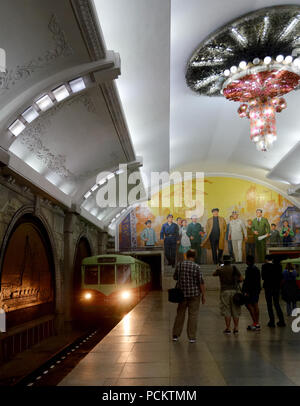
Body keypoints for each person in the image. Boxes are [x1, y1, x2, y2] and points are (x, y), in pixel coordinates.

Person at [172, 249, 206, 343]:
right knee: (193, 315)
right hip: (194, 294)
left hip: (181, 294)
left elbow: (175, 277)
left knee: (180, 314)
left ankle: (175, 335)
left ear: (186, 256)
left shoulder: (180, 265)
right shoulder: (196, 267)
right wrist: (203, 295)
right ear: (194, 256)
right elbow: (201, 282)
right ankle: (192, 337)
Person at [213, 255, 243, 335]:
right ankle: (236, 328)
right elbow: (241, 279)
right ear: (230, 261)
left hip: (224, 291)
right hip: (234, 291)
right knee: (235, 309)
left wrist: (219, 267)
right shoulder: (234, 268)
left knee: (227, 310)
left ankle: (228, 328)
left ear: (223, 261)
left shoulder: (221, 269)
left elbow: (214, 274)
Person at [261, 255, 285, 327]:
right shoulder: (279, 266)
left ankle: (272, 322)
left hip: (268, 288)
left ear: (266, 259)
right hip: (276, 288)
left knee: (269, 305)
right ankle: (281, 321)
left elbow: (263, 277)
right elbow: (281, 277)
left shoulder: (264, 266)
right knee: (277, 304)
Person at [242, 255, 261, 331]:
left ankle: (255, 323)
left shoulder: (249, 270)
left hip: (250, 291)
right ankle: (257, 323)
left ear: (248, 261)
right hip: (256, 290)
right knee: (255, 305)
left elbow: (248, 282)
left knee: (249, 305)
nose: (245, 262)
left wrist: (246, 291)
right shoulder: (256, 269)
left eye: (246, 260)